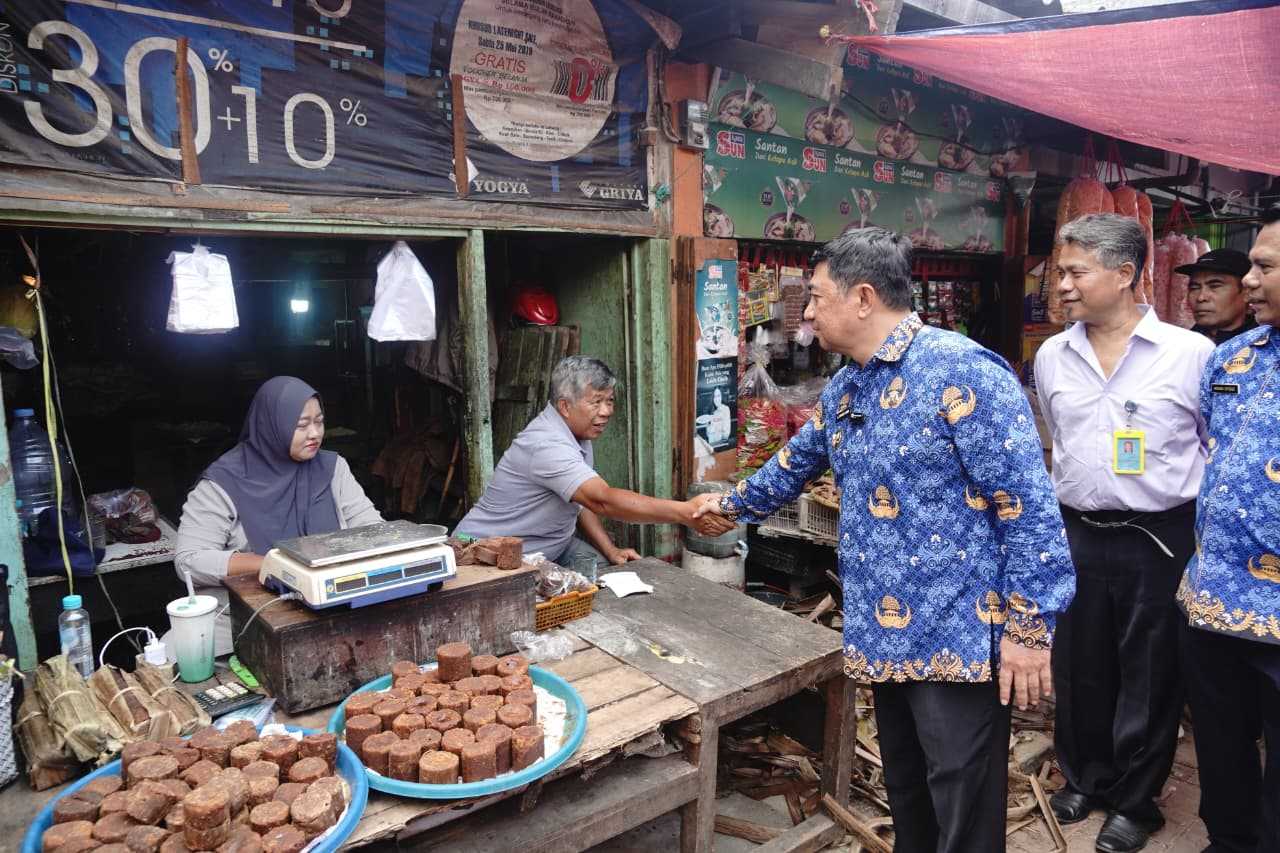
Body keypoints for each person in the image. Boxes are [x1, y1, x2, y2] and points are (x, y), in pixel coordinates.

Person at [697, 227, 1074, 853]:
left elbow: (1029, 512)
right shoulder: (849, 387)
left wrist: (1029, 632)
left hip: (959, 634)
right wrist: (722, 507)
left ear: (864, 297)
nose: (809, 313)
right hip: (883, 631)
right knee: (909, 789)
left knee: (963, 801)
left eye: (817, 297)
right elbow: (794, 465)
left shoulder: (963, 371)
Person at [1034, 214, 1214, 853]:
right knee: (1079, 662)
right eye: (1060, 272)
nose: (1061, 285)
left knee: (1150, 669)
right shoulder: (1053, 355)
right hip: (1078, 530)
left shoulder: (1191, 354)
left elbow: (1214, 446)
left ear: (1126, 273)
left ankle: (1137, 802)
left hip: (1160, 537)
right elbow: (1055, 441)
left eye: (1075, 271)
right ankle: (1088, 776)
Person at [1177, 203, 1280, 853]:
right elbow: (1217, 447)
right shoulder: (1234, 359)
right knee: (1221, 745)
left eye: (1265, 267)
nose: (1250, 280)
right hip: (1212, 601)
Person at [456, 356, 732, 568]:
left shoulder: (580, 435)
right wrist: (686, 512)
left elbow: (581, 501)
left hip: (554, 548)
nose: (606, 412)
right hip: (488, 552)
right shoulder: (546, 444)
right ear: (565, 406)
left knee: (607, 578)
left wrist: (610, 551)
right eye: (596, 402)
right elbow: (602, 500)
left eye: (610, 401)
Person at [174, 377, 382, 655]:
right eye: (301, 425)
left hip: (333, 609)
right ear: (270, 426)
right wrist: (275, 564)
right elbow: (189, 561)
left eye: (319, 422)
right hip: (244, 620)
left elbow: (373, 530)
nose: (314, 434)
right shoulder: (224, 481)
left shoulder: (332, 469)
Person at [1179, 248, 1256, 344]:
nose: (1201, 297)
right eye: (1194, 288)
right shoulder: (1182, 345)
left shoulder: (1269, 347)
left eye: (1214, 286)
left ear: (1247, 292)